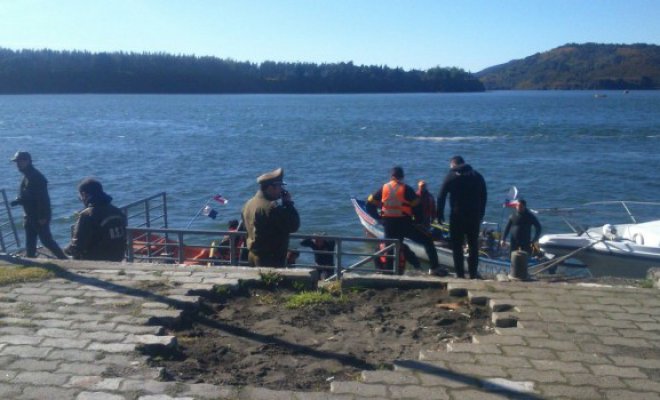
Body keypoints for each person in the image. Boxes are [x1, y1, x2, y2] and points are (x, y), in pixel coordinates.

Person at [367, 166, 445, 276]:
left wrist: (379, 218)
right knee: (428, 241)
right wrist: (417, 222)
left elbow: (369, 204)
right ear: (402, 177)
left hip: (389, 225)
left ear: (391, 176)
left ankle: (389, 272)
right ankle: (434, 268)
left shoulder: (383, 188)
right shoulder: (407, 189)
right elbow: (418, 208)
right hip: (405, 224)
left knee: (391, 248)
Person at [437, 155, 488, 279]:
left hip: (457, 216)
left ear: (453, 164)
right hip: (474, 216)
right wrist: (481, 213)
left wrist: (440, 214)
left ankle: (460, 275)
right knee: (473, 246)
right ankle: (473, 274)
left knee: (457, 246)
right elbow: (484, 196)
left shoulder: (451, 176)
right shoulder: (477, 176)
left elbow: (441, 196)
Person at [9, 151, 67, 259]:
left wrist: (42, 216)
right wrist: (18, 201)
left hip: (38, 216)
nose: (17, 164)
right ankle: (30, 260)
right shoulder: (27, 175)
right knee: (30, 241)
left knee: (46, 240)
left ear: (27, 161)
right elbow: (29, 195)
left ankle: (64, 260)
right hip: (29, 214)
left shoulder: (36, 177)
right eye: (16, 162)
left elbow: (42, 199)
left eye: (20, 161)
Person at [241, 168, 300, 267]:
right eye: (280, 186)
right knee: (270, 282)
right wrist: (288, 204)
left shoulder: (248, 204)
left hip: (252, 255)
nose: (282, 190)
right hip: (269, 259)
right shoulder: (271, 207)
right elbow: (294, 225)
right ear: (271, 188)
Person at [64, 178, 127, 261]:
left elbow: (77, 247)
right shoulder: (117, 211)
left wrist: (66, 250)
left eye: (80, 197)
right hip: (118, 257)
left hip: (96, 259)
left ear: (84, 195)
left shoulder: (87, 215)